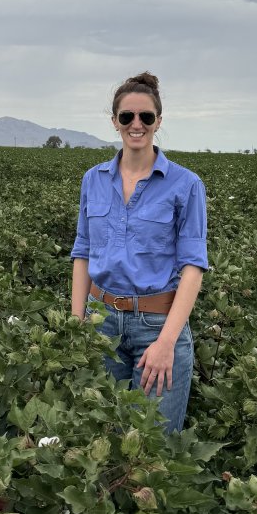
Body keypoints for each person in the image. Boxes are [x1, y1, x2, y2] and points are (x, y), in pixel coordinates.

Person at [71, 72, 207, 433]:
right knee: (100, 442)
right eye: (127, 116)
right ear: (114, 121)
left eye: (146, 117)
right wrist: (77, 322)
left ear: (158, 122)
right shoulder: (93, 179)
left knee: (153, 448)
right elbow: (82, 252)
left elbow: (193, 267)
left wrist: (167, 343)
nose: (136, 124)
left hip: (158, 326)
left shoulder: (186, 184)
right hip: (100, 322)